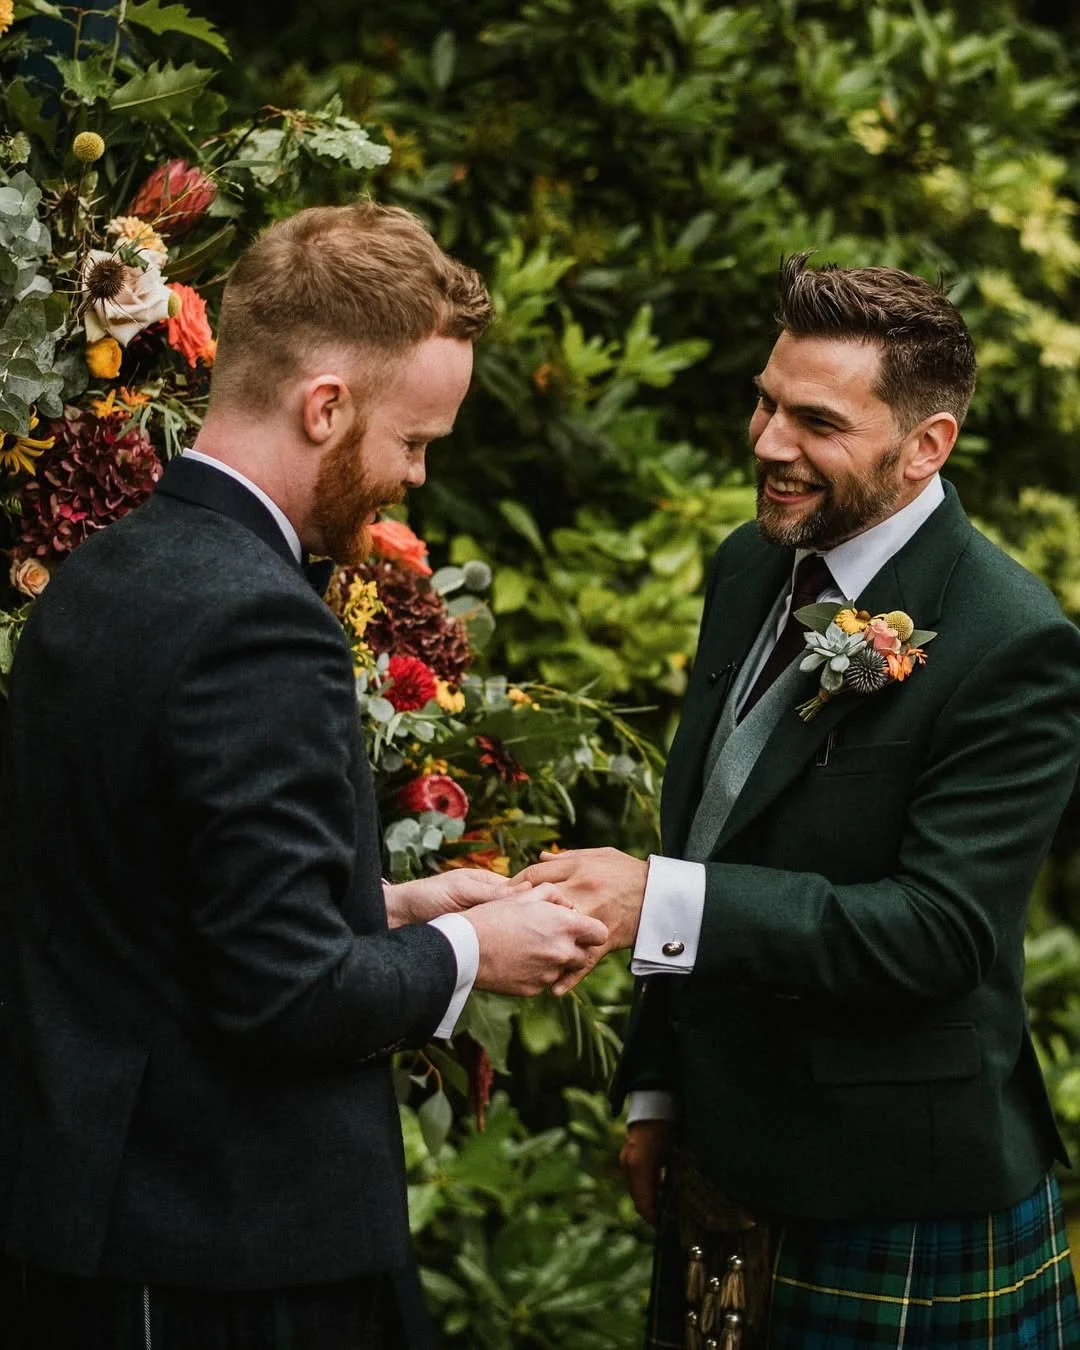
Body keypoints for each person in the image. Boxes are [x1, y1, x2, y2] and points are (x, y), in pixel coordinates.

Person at [0, 201, 607, 1350]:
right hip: (215, 1249)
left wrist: (390, 905)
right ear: (325, 406)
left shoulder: (105, 571)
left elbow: (145, 898)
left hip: (107, 1221)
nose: (416, 476)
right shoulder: (258, 623)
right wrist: (474, 951)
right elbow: (282, 997)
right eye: (413, 441)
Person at [520, 254, 1080, 1348]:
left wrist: (659, 903)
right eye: (767, 403)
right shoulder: (750, 566)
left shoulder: (1013, 641)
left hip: (894, 1187)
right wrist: (661, 1091)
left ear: (926, 446)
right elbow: (711, 825)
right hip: (722, 1149)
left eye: (817, 422)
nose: (770, 443)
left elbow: (939, 932)